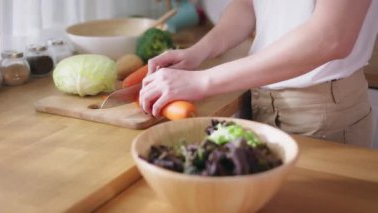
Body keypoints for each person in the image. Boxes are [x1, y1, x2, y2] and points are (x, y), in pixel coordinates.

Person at [139, 0, 378, 147]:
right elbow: (248, 4)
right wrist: (199, 51)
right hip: (262, 98)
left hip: (322, 113)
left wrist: (202, 80)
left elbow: (331, 37)